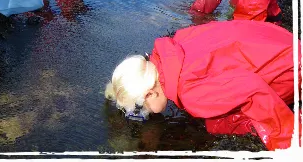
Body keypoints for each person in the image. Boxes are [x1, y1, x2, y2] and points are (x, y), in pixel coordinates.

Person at [105, 20, 300, 151]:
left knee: (219, 123)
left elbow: (254, 91)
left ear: (149, 94)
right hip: (280, 40)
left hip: (292, 69)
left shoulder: (191, 94)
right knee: (214, 117)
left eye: (141, 109)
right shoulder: (175, 45)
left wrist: (288, 144)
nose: (146, 114)